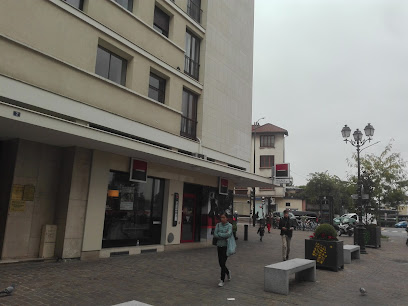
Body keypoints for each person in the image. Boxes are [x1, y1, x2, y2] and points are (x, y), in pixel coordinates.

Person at [214, 212, 232, 287]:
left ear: (227, 218)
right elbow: (215, 234)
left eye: (224, 217)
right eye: (221, 217)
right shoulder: (218, 225)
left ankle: (222, 279)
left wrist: (220, 234)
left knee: (222, 263)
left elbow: (228, 234)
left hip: (226, 246)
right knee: (221, 263)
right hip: (219, 245)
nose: (222, 219)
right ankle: (227, 272)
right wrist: (222, 235)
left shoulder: (229, 226)